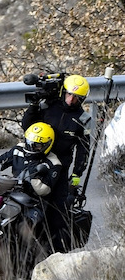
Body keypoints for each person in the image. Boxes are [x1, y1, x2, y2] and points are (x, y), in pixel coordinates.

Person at [21, 73, 91, 211]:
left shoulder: (83, 119)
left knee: (58, 210)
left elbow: (83, 149)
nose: (71, 100)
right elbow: (26, 126)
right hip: (36, 160)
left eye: (76, 98)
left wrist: (77, 173)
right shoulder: (48, 106)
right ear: (63, 92)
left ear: (82, 100)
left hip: (60, 168)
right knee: (27, 201)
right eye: (69, 95)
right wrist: (33, 106)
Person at [0, 122, 62, 246]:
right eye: (28, 142)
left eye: (36, 145)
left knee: (23, 227)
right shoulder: (18, 150)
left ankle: (25, 256)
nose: (30, 147)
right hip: (12, 194)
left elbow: (44, 190)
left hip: (35, 203)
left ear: (47, 145)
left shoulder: (53, 163)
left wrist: (34, 173)